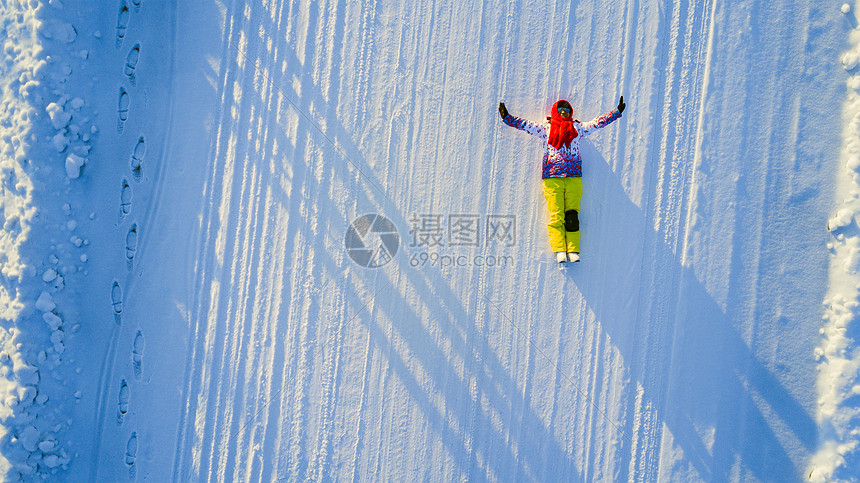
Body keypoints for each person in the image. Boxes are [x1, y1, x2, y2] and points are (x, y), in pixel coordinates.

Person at [499, 97, 625, 263]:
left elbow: (596, 123)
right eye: (560, 109)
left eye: (566, 109)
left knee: (572, 215)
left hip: (573, 178)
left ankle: (573, 250)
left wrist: (616, 113)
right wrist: (507, 117)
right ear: (555, 112)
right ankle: (559, 249)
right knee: (556, 216)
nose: (563, 112)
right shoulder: (546, 128)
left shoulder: (577, 128)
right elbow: (526, 125)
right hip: (552, 179)